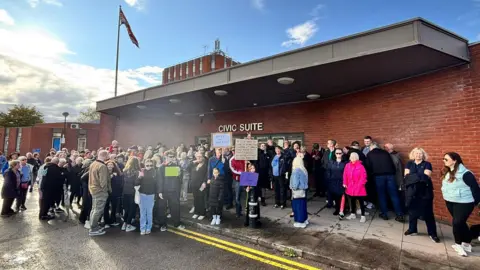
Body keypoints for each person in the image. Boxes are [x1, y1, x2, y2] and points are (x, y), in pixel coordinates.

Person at [441, 152, 480, 257]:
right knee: (461, 223)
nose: (444, 161)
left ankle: (458, 244)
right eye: (443, 159)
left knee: (457, 223)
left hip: (464, 202)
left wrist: (477, 202)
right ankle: (467, 241)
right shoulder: (447, 172)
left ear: (454, 160)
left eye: (446, 159)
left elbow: (475, 188)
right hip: (450, 201)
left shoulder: (466, 174)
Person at [404, 148, 440, 243]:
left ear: (423, 155)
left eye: (420, 154)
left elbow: (426, 178)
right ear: (413, 154)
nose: (418, 155)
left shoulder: (427, 164)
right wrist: (419, 176)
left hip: (425, 191)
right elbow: (406, 177)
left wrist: (414, 176)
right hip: (411, 191)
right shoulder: (409, 163)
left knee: (428, 213)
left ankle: (432, 234)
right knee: (412, 211)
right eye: (416, 153)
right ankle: (412, 229)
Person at [366, 143, 404, 222]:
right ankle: (399, 214)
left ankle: (384, 214)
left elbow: (368, 167)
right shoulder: (385, 152)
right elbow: (392, 164)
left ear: (371, 148)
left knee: (381, 195)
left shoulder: (370, 154)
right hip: (390, 176)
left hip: (378, 177)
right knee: (394, 195)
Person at [158, 152, 184, 231]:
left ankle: (177, 223)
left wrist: (180, 174)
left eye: (173, 156)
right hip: (164, 191)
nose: (171, 158)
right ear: (166, 157)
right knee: (162, 209)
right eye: (170, 156)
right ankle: (163, 225)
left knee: (175, 208)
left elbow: (179, 180)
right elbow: (160, 180)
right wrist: (160, 191)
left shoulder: (177, 166)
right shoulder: (162, 167)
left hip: (174, 191)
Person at [88, 150, 111, 236]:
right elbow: (103, 182)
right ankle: (93, 229)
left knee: (94, 209)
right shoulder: (102, 166)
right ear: (104, 156)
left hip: (93, 189)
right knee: (98, 210)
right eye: (107, 155)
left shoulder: (93, 164)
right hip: (100, 191)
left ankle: (94, 226)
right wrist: (105, 191)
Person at [136, 158, 158, 235]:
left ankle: (149, 228)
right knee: (142, 213)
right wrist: (139, 177)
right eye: (147, 165)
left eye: (151, 165)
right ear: (144, 164)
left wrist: (156, 195)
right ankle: (142, 228)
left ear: (153, 165)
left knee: (149, 213)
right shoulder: (142, 171)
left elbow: (157, 185)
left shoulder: (155, 172)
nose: (149, 166)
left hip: (151, 195)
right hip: (142, 194)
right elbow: (136, 183)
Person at [343, 153, 368, 223]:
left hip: (359, 187)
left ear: (357, 158)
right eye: (351, 157)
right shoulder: (347, 165)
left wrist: (359, 185)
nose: (352, 158)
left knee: (361, 202)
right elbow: (345, 175)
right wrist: (345, 183)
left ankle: (363, 216)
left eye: (354, 157)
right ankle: (352, 214)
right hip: (350, 186)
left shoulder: (361, 166)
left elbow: (363, 177)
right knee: (352, 201)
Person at [122, 156, 140, 232]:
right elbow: (136, 183)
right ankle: (128, 225)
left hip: (125, 191)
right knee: (132, 209)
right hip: (133, 192)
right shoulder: (137, 172)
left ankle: (124, 224)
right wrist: (140, 178)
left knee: (126, 209)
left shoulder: (125, 170)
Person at [327, 149, 347, 217]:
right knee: (335, 196)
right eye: (337, 153)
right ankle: (337, 209)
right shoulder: (331, 162)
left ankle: (342, 209)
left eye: (339, 153)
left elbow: (347, 173)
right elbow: (328, 171)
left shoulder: (345, 163)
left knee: (342, 196)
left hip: (342, 182)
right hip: (333, 181)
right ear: (335, 154)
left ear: (342, 154)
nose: (338, 154)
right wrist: (329, 179)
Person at [290, 157, 309, 228]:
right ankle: (305, 219)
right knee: (303, 206)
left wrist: (292, 188)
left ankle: (300, 222)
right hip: (303, 191)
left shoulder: (296, 171)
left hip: (297, 192)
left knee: (298, 207)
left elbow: (295, 184)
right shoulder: (303, 170)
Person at [104, 160, 123, 228]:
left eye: (111, 165)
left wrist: (115, 177)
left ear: (114, 166)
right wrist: (110, 177)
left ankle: (113, 220)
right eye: (108, 164)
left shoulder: (117, 173)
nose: (110, 166)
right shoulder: (104, 173)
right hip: (106, 192)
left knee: (114, 207)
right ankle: (106, 222)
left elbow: (120, 182)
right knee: (105, 207)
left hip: (114, 192)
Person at [191, 152, 208, 220]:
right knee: (196, 198)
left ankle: (202, 213)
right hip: (194, 185)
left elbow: (206, 175)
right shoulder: (194, 164)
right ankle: (196, 212)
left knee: (201, 199)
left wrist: (204, 182)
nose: (198, 158)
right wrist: (194, 161)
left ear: (203, 157)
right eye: (197, 157)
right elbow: (187, 167)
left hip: (201, 185)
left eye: (200, 157)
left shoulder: (205, 165)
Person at [244, 164, 261, 228]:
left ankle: (256, 220)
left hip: (255, 194)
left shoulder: (257, 176)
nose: (253, 170)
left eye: (253, 168)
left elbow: (259, 186)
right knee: (248, 207)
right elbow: (245, 185)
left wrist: (259, 195)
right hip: (250, 194)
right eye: (251, 169)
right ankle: (247, 220)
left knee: (256, 207)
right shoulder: (247, 175)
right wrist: (246, 188)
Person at [79, 159, 93, 227]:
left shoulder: (85, 169)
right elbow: (82, 178)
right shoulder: (89, 170)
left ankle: (82, 218)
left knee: (85, 204)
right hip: (87, 189)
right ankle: (85, 219)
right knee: (87, 204)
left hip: (85, 189)